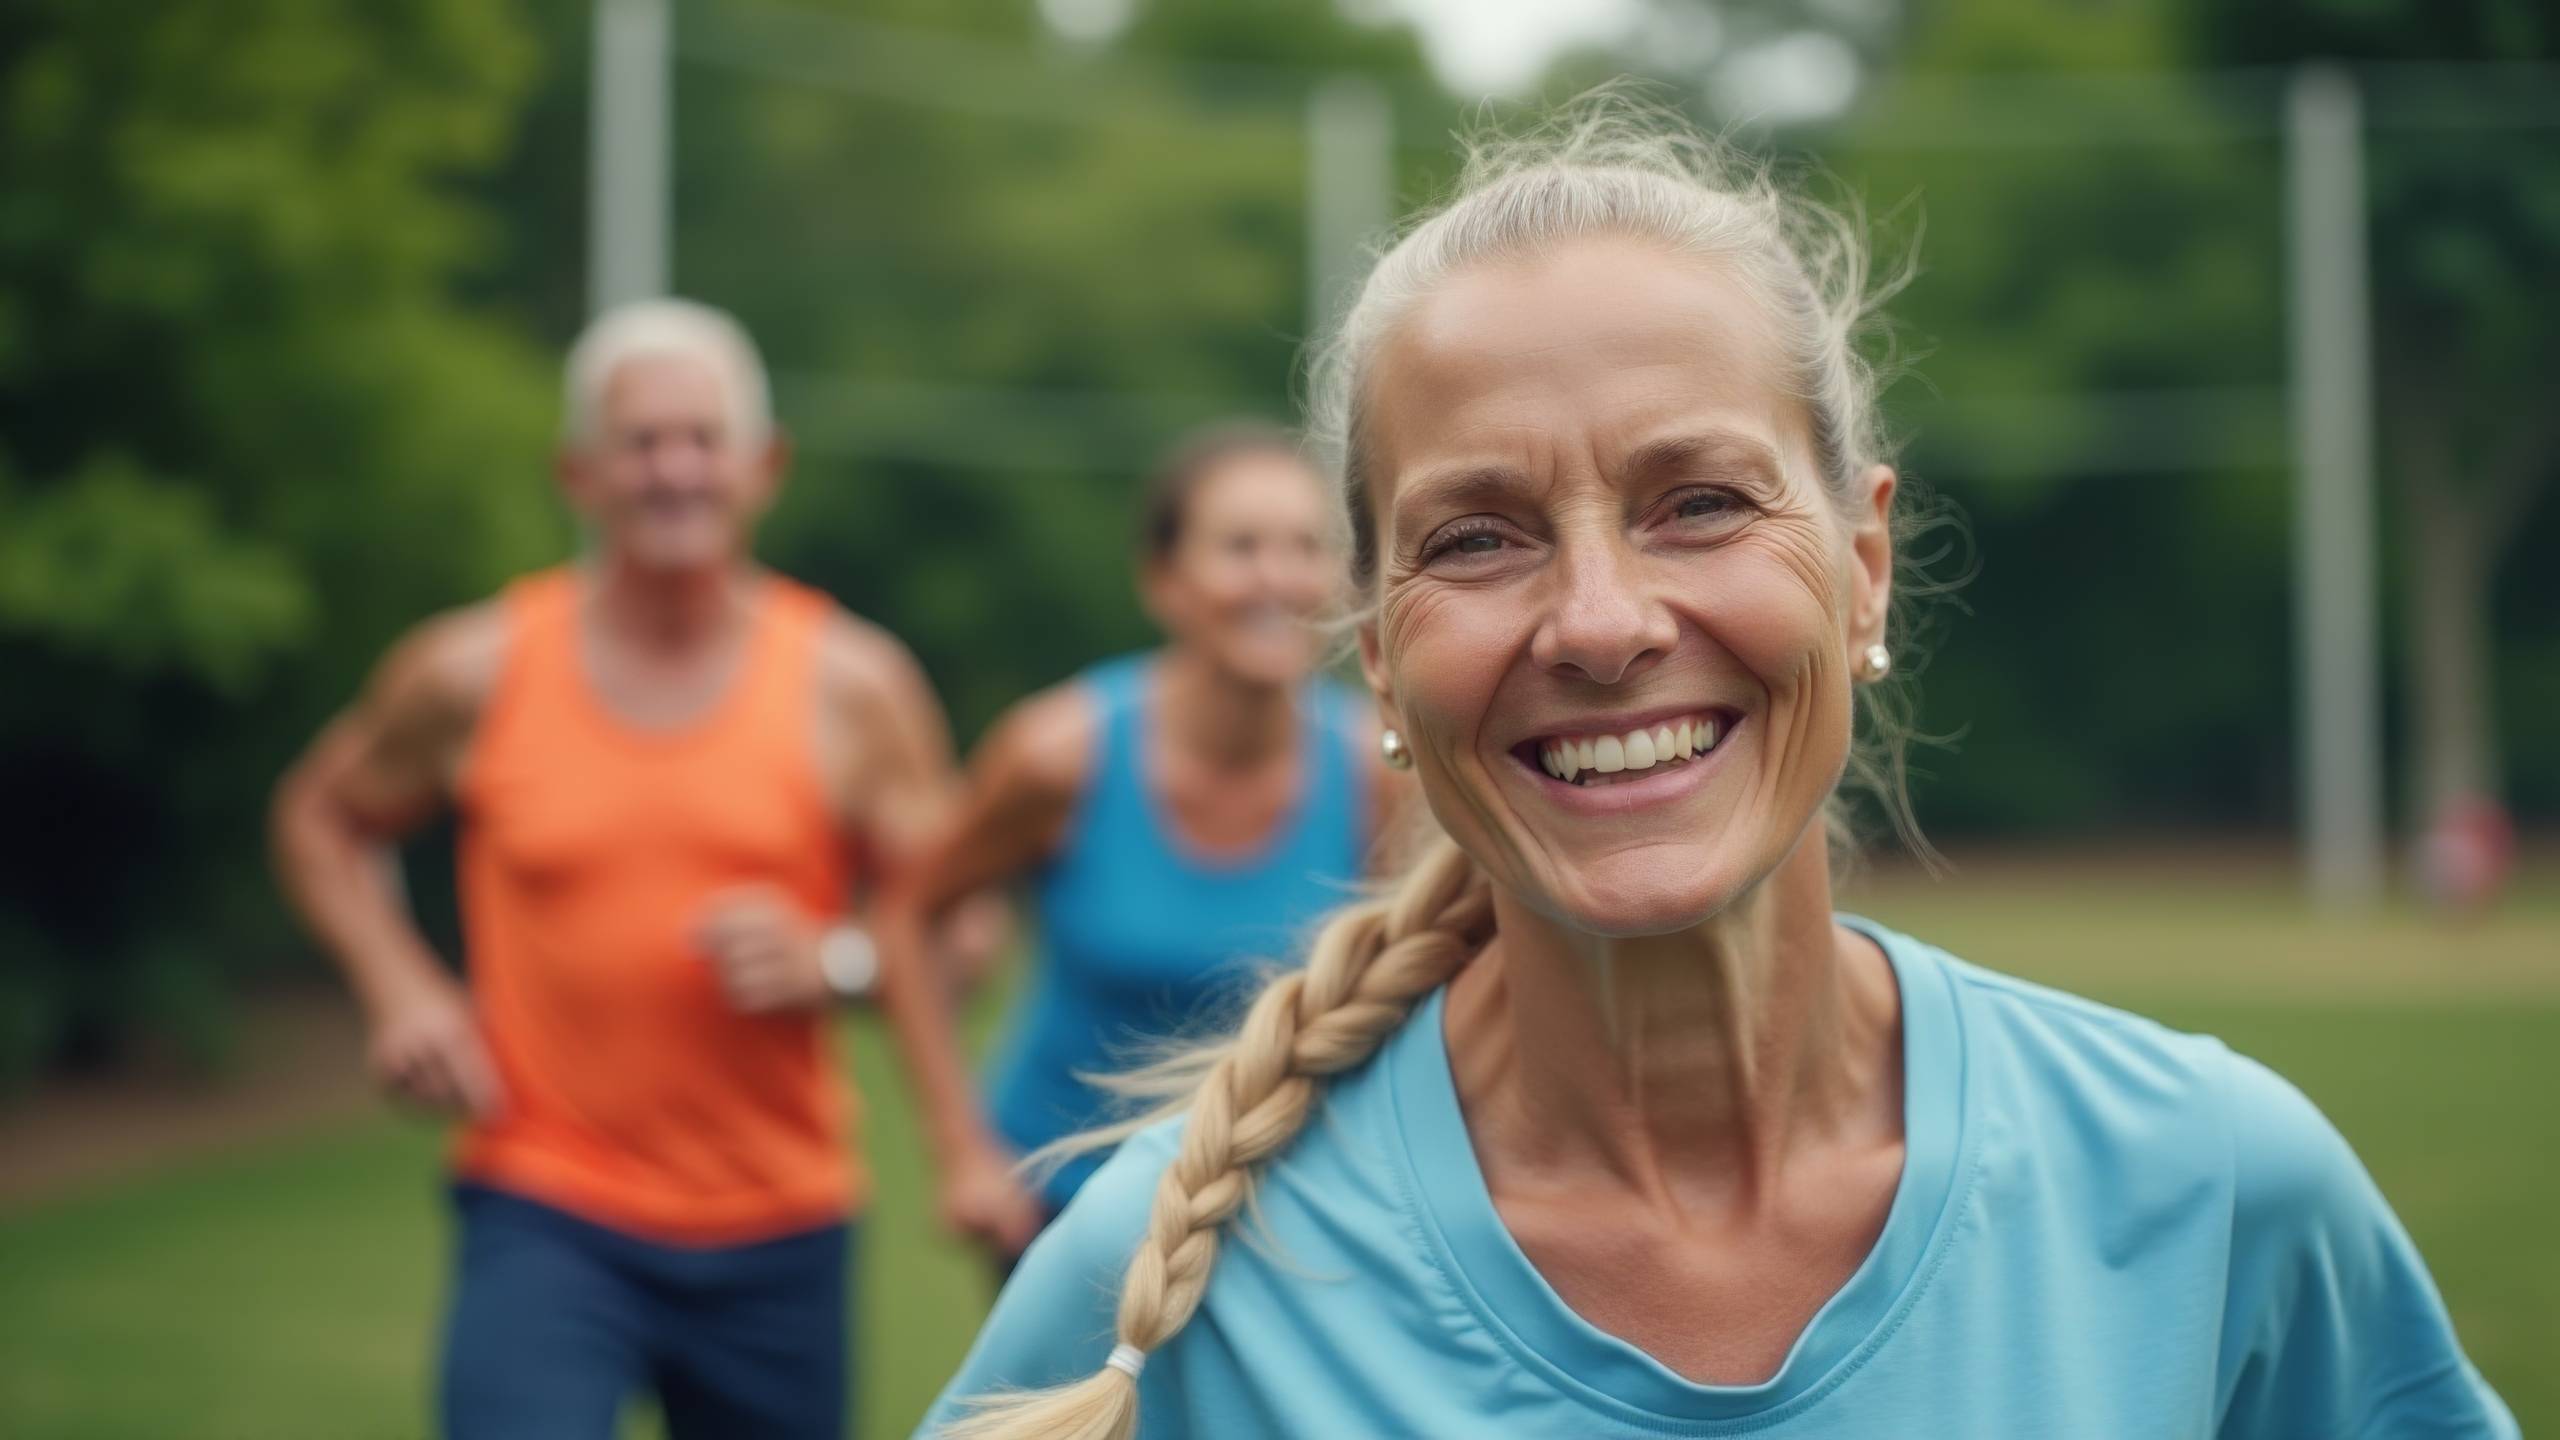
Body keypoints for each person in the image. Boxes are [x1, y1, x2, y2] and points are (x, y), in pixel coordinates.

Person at [919, 103, 2519, 1439]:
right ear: (1378, 654)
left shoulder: (2216, 1189)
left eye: (1699, 501)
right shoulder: (1166, 1296)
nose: (1603, 624)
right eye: (1477, 538)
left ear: (1866, 566)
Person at [270, 298, 1038, 1440]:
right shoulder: (472, 671)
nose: (672, 470)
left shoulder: (852, 686)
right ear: (578, 473)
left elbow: (964, 935)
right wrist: (401, 988)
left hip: (780, 1221)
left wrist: (836, 958)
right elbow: (320, 817)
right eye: (639, 443)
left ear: (761, 466)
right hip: (544, 1200)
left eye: (701, 439)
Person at [885, 423, 1402, 1246]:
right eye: (1240, 548)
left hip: (1272, 1207)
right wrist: (961, 1151)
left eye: (1306, 547)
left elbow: (1405, 1000)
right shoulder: (1059, 756)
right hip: (1061, 1207)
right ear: (1165, 581)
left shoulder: (1375, 770)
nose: (1277, 578)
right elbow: (908, 917)